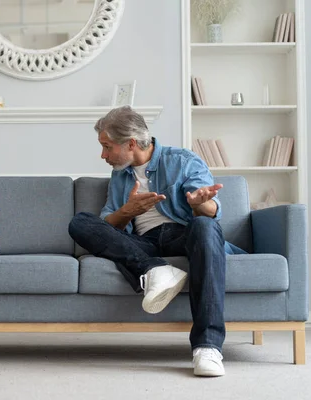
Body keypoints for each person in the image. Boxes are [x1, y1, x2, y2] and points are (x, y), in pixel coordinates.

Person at [68, 106, 246, 377]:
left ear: (130, 143)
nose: (103, 155)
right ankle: (154, 269)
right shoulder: (120, 174)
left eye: (107, 147)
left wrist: (201, 204)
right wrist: (127, 212)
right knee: (79, 222)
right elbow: (108, 226)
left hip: (182, 235)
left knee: (205, 225)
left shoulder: (183, 160)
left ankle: (208, 347)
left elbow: (211, 213)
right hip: (142, 243)